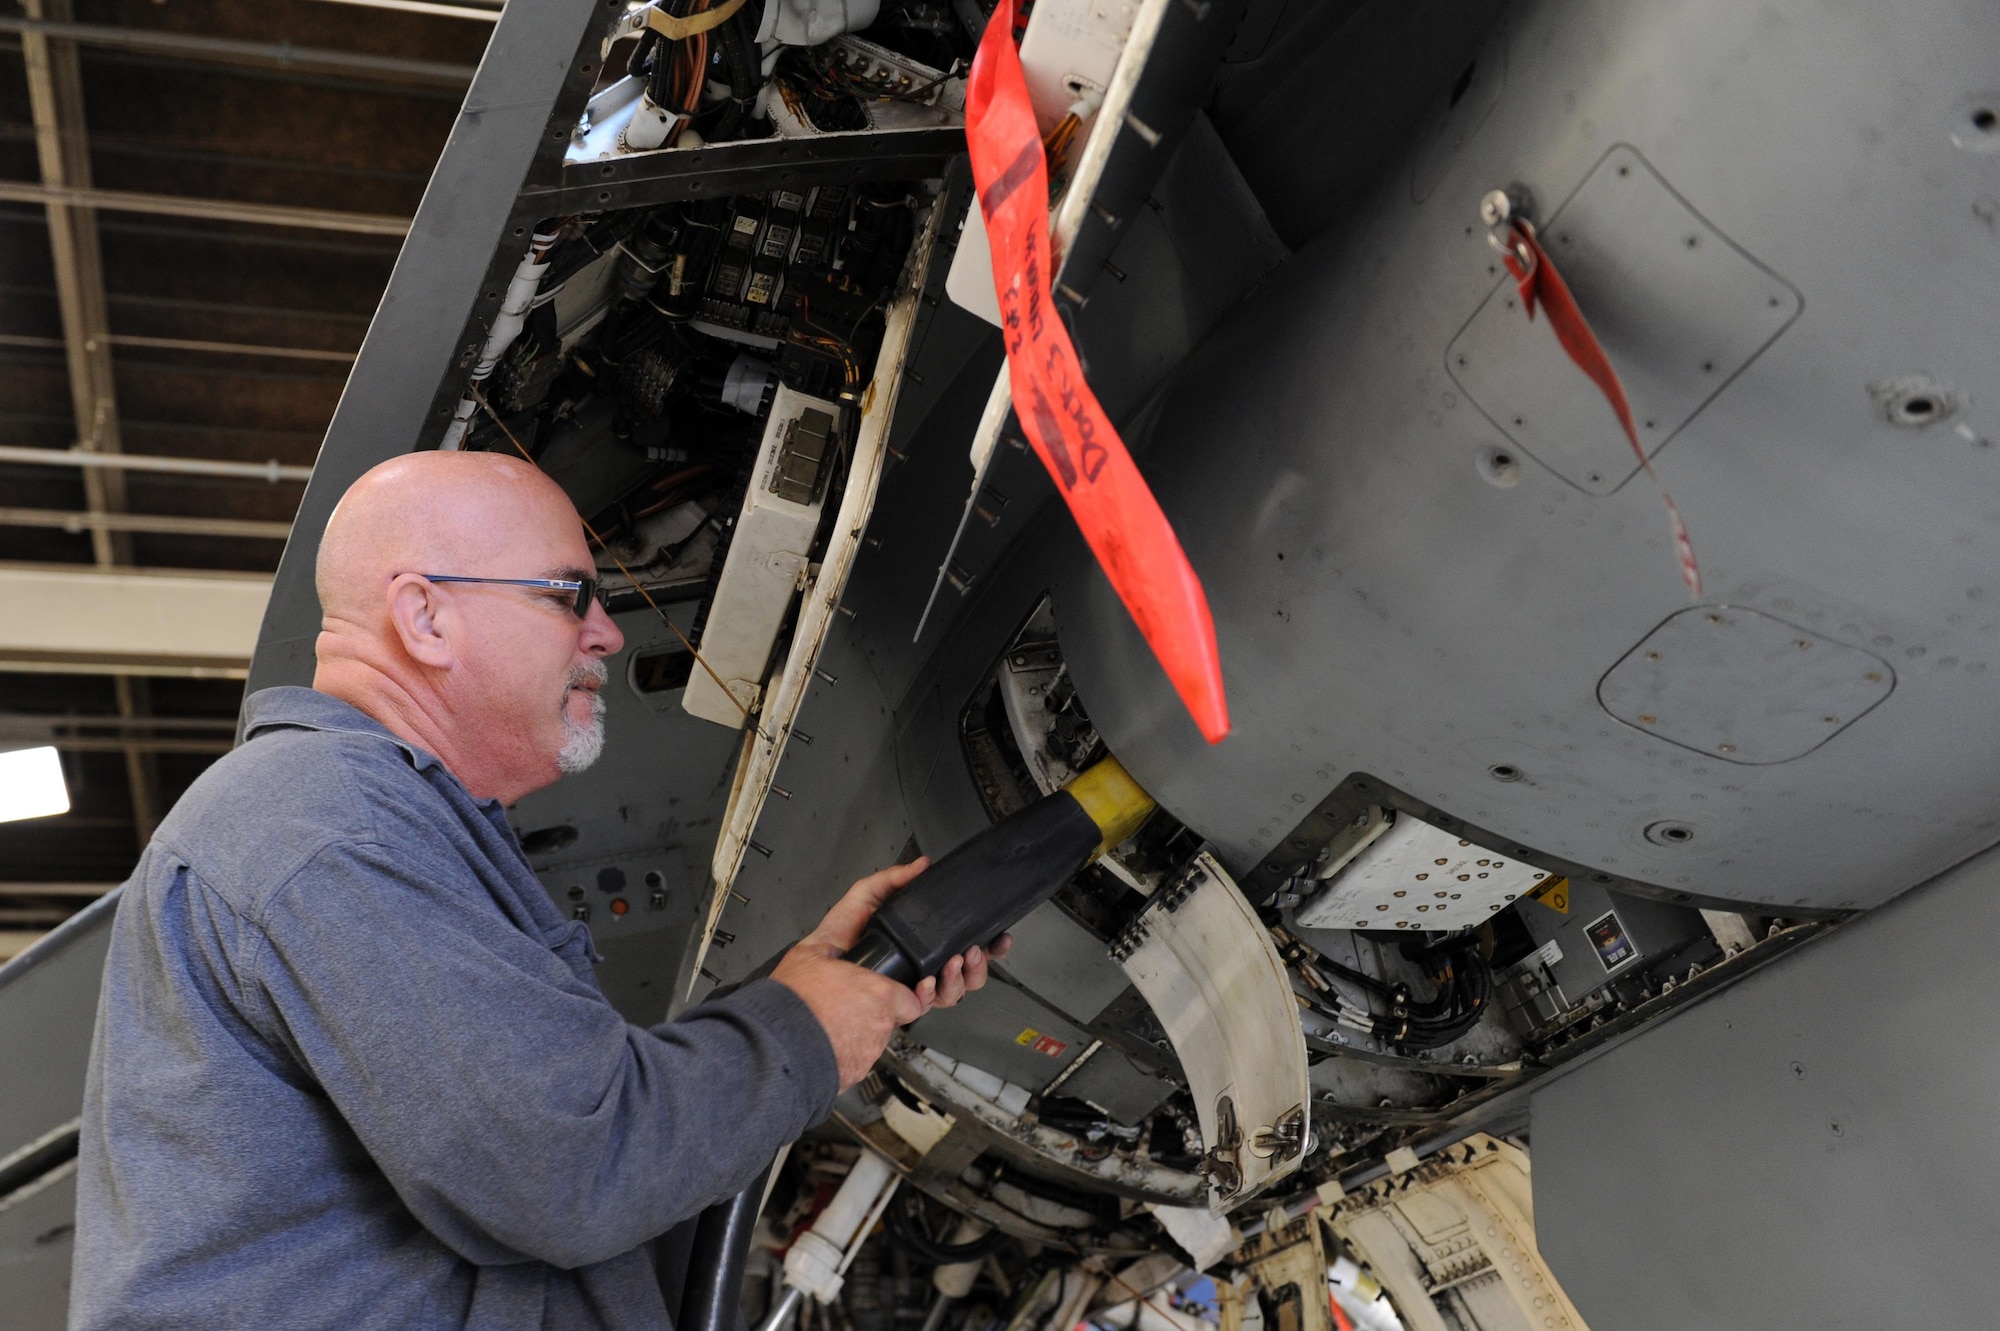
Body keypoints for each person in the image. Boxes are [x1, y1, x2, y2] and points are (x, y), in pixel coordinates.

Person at [69, 451, 1002, 1330]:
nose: (606, 629)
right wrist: (800, 1034)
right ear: (425, 617)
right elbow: (566, 1167)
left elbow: (574, 1155)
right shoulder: (325, 824)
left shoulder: (368, 824)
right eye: (569, 594)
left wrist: (804, 990)